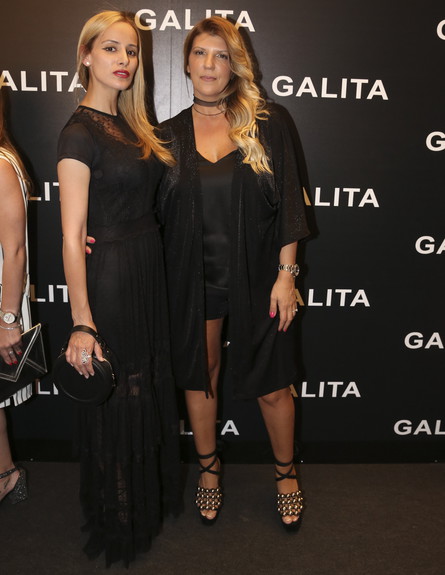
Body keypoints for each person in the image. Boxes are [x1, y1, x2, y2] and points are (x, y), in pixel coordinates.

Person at [157, 17, 310, 529]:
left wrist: (287, 275)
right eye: (201, 53)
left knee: (274, 385)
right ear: (186, 63)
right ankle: (208, 469)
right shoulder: (167, 136)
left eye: (221, 55)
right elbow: (148, 212)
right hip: (193, 281)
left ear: (234, 65)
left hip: (261, 278)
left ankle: (286, 474)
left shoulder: (268, 122)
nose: (209, 65)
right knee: (200, 375)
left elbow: (290, 203)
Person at [57, 11, 180, 566]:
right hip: (110, 277)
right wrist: (82, 321)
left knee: (144, 387)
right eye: (111, 48)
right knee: (119, 397)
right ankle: (119, 517)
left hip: (146, 270)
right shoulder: (78, 133)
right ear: (86, 55)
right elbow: (71, 235)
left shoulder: (133, 125)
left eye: (131, 50)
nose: (125, 60)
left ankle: (142, 507)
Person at [0, 87, 32, 504]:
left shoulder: (2, 166)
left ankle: (7, 475)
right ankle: (7, 474)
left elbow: (16, 251)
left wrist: (8, 319)